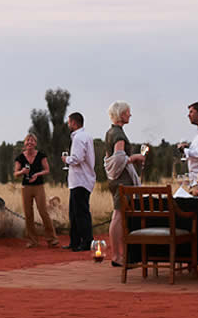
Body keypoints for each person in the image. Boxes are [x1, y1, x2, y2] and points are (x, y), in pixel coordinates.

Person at [104, 101, 145, 266]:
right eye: (128, 112)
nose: (130, 115)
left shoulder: (110, 132)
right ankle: (117, 256)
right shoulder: (118, 134)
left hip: (116, 180)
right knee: (119, 216)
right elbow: (120, 157)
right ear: (121, 114)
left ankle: (119, 255)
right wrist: (135, 158)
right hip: (122, 181)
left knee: (118, 215)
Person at [14, 134, 57, 248]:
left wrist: (37, 174)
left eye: (32, 141)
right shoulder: (20, 158)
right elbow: (16, 173)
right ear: (25, 143)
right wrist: (22, 172)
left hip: (39, 186)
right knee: (28, 214)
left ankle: (52, 239)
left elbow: (47, 170)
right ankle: (33, 241)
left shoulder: (41, 156)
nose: (30, 142)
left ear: (35, 143)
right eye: (28, 140)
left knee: (43, 211)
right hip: (26, 187)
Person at [62, 112, 96, 252]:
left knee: (81, 212)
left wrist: (66, 160)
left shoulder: (79, 138)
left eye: (69, 122)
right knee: (74, 213)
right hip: (79, 180)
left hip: (80, 180)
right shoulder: (86, 136)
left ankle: (87, 241)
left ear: (74, 123)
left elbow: (77, 158)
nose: (68, 124)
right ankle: (75, 241)